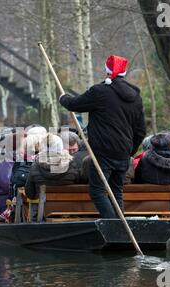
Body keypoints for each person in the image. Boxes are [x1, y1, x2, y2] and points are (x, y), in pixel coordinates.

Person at [58, 54, 146, 218]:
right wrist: (129, 151)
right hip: (123, 152)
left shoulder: (100, 92)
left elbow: (74, 104)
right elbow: (141, 131)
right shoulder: (136, 98)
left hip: (103, 152)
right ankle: (119, 225)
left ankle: (113, 225)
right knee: (116, 191)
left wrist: (63, 98)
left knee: (97, 191)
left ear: (107, 71)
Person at [25, 134, 80, 200]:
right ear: (61, 147)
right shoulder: (72, 165)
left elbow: (29, 193)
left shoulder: (35, 166)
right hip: (70, 207)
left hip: (43, 208)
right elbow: (79, 185)